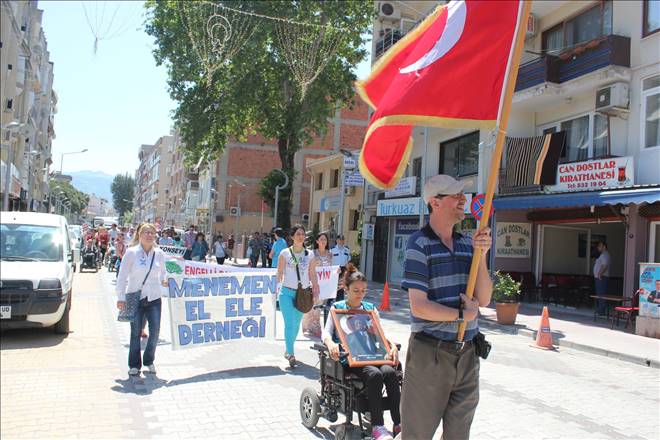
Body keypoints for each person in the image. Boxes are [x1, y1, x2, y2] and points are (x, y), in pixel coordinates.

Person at [400, 174, 493, 440]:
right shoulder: (419, 244)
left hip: (467, 355)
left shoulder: (467, 244)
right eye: (455, 195)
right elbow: (419, 307)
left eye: (462, 194)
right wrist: (463, 315)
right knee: (417, 434)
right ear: (435, 202)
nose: (463, 199)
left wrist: (482, 256)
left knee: (458, 436)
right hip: (430, 354)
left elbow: (484, 299)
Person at [322, 263, 400, 440]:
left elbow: (381, 333)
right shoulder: (337, 308)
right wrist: (330, 344)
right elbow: (326, 332)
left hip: (372, 354)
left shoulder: (370, 309)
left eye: (363, 290)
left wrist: (392, 345)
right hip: (351, 358)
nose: (360, 294)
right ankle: (378, 427)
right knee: (374, 375)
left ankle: (398, 424)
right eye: (356, 290)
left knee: (390, 372)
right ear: (346, 289)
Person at [116, 223, 167, 376]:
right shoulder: (131, 253)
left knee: (155, 331)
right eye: (146, 232)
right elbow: (122, 276)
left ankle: (149, 360)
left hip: (154, 298)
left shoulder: (159, 253)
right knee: (135, 333)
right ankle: (134, 365)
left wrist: (164, 279)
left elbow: (163, 272)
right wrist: (121, 297)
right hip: (136, 298)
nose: (149, 235)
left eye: (152, 232)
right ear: (139, 234)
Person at [276, 224, 318, 367]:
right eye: (298, 234)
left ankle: (288, 349)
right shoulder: (285, 253)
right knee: (289, 323)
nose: (301, 236)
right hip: (286, 293)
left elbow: (312, 273)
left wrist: (316, 289)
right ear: (292, 237)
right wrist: (278, 277)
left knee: (295, 325)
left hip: (303, 295)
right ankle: (291, 353)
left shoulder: (310, 254)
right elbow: (279, 272)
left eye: (303, 234)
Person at [303, 232, 333, 339]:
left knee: (318, 307)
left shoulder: (330, 254)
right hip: (313, 283)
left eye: (325, 239)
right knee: (312, 305)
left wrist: (336, 271)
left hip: (324, 285)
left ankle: (312, 327)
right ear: (317, 241)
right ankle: (313, 328)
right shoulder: (312, 254)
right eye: (321, 239)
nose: (323, 241)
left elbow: (331, 269)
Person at [593, 241, 611, 316]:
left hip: (602, 277)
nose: (598, 247)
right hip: (600, 277)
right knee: (600, 294)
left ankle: (601, 311)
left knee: (601, 294)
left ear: (604, 247)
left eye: (600, 246)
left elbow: (604, 265)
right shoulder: (603, 255)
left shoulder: (604, 255)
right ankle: (600, 310)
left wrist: (600, 274)